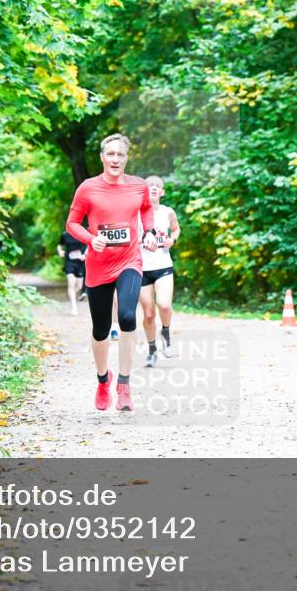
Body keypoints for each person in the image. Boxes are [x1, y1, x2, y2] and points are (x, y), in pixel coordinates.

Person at [66, 133, 158, 411]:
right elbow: (72, 224)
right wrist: (90, 239)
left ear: (126, 158)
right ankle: (103, 379)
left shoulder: (139, 186)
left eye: (120, 154)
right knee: (101, 329)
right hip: (98, 265)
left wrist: (150, 232)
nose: (115, 159)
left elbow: (146, 211)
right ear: (102, 157)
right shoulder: (87, 188)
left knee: (129, 316)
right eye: (111, 154)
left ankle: (125, 385)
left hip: (129, 261)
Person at [138, 176, 179, 367]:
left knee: (164, 305)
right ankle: (152, 349)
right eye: (149, 186)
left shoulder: (168, 212)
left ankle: (166, 332)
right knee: (148, 314)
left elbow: (176, 229)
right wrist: (142, 241)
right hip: (141, 268)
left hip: (163, 266)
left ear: (162, 192)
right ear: (144, 191)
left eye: (157, 186)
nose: (153, 188)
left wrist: (173, 240)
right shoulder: (135, 213)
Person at [57, 229, 87, 316]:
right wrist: (60, 252)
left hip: (80, 263)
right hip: (69, 262)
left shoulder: (82, 233)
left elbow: (89, 244)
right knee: (71, 282)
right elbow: (59, 245)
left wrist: (85, 255)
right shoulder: (65, 235)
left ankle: (74, 294)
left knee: (79, 286)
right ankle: (74, 308)